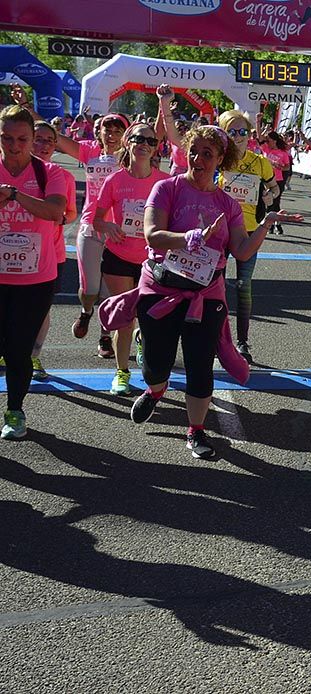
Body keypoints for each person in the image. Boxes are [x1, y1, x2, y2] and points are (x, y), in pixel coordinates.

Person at [99, 125, 300, 459]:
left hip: (205, 296)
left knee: (199, 365)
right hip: (161, 289)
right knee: (155, 364)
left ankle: (196, 431)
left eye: (208, 153)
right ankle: (156, 388)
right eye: (194, 151)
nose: (199, 159)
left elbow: (242, 250)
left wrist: (265, 224)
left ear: (221, 159)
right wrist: (187, 238)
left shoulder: (227, 204)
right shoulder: (167, 188)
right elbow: (151, 235)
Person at [14, 85, 123, 359]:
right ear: (98, 131)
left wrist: (163, 107)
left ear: (126, 135)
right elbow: (50, 136)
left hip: (119, 229)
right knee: (90, 289)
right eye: (106, 129)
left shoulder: (130, 155)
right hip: (90, 225)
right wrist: (27, 106)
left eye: (117, 130)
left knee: (110, 290)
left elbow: (155, 138)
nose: (111, 135)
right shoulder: (88, 151)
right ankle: (86, 312)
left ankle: (105, 337)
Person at [0, 106, 67, 439]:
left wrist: (12, 194)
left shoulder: (49, 172)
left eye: (22, 139)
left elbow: (55, 211)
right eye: (7, 138)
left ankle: (15, 410)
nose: (14, 146)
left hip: (35, 280)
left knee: (17, 350)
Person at [91, 121, 170, 395]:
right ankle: (121, 373)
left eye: (150, 141)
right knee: (124, 321)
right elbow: (96, 219)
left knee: (148, 319)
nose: (144, 145)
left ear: (156, 147)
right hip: (118, 257)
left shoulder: (163, 181)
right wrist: (108, 226)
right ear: (128, 143)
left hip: (152, 261)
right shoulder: (115, 180)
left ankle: (143, 348)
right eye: (138, 139)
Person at [217, 110, 280, 365]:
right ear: (223, 134)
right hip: (220, 232)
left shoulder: (260, 162)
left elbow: (274, 188)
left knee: (244, 287)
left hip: (250, 230)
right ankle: (217, 338)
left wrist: (268, 197)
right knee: (216, 288)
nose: (238, 136)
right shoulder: (218, 159)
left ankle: (242, 342)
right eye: (232, 132)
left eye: (243, 131)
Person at [29, 119, 78, 382]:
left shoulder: (63, 176)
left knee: (41, 308)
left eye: (50, 140)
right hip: (13, 252)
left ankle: (34, 356)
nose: (44, 145)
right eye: (38, 138)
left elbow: (70, 214)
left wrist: (57, 217)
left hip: (51, 252)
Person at [261, 130, 293, 235]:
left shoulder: (283, 153)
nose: (267, 142)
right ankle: (274, 225)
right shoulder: (266, 149)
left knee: (275, 203)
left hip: (278, 180)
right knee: (268, 203)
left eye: (269, 140)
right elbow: (259, 137)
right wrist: (258, 122)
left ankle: (275, 225)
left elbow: (287, 167)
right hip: (266, 179)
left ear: (274, 141)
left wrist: (278, 166)